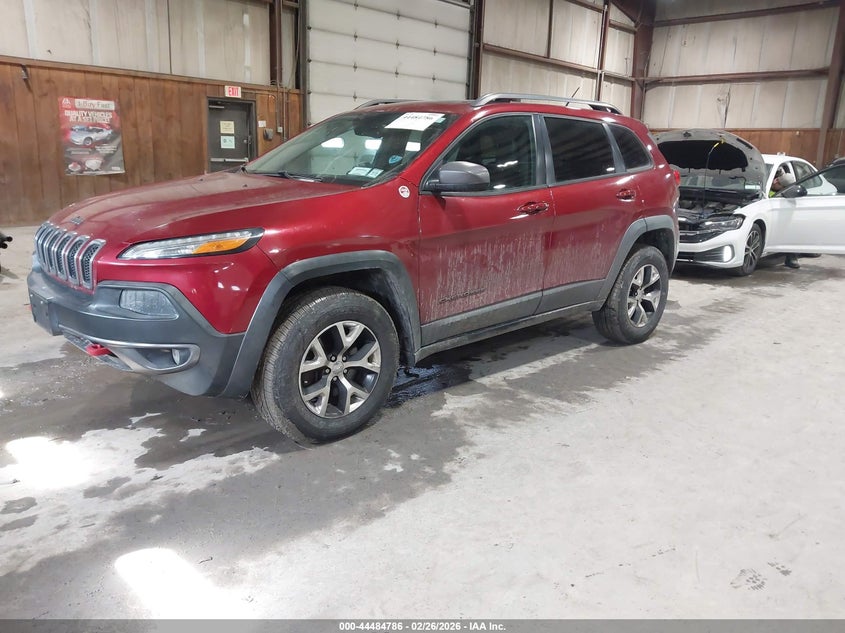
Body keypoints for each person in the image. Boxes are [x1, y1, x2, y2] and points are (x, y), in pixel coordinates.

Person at [769, 169, 800, 268]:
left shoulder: (788, 195)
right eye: (776, 180)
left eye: (778, 183)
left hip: (779, 218)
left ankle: (791, 257)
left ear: (784, 188)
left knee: (791, 230)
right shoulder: (767, 181)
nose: (775, 182)